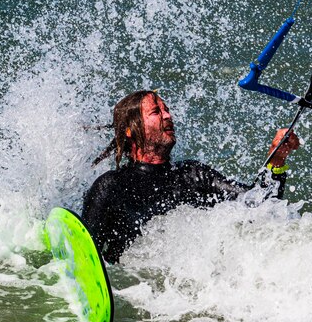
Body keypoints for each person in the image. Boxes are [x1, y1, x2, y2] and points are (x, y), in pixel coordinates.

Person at [82, 90, 300, 263]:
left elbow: (263, 205)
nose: (168, 116)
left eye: (166, 110)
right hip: (129, 295)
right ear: (130, 130)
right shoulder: (110, 186)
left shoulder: (193, 176)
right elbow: (85, 256)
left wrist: (277, 158)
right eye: (156, 112)